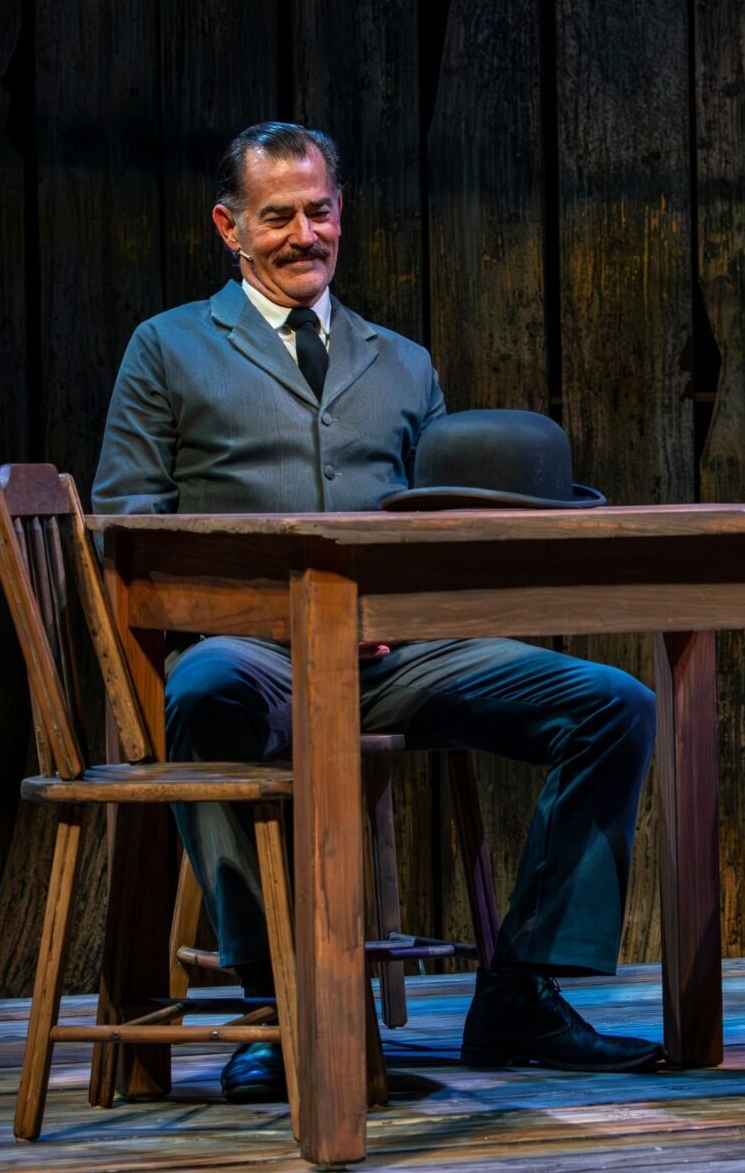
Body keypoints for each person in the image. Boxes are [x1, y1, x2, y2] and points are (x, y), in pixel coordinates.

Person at [92, 121, 662, 1103]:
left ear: (341, 214)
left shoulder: (399, 362)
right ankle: (281, 1004)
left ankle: (521, 990)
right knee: (202, 691)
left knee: (613, 703)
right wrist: (252, 609)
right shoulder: (170, 348)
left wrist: (415, 600)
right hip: (253, 649)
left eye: (319, 212)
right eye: (277, 217)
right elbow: (126, 521)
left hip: (394, 655)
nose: (302, 234)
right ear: (230, 227)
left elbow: (436, 519)